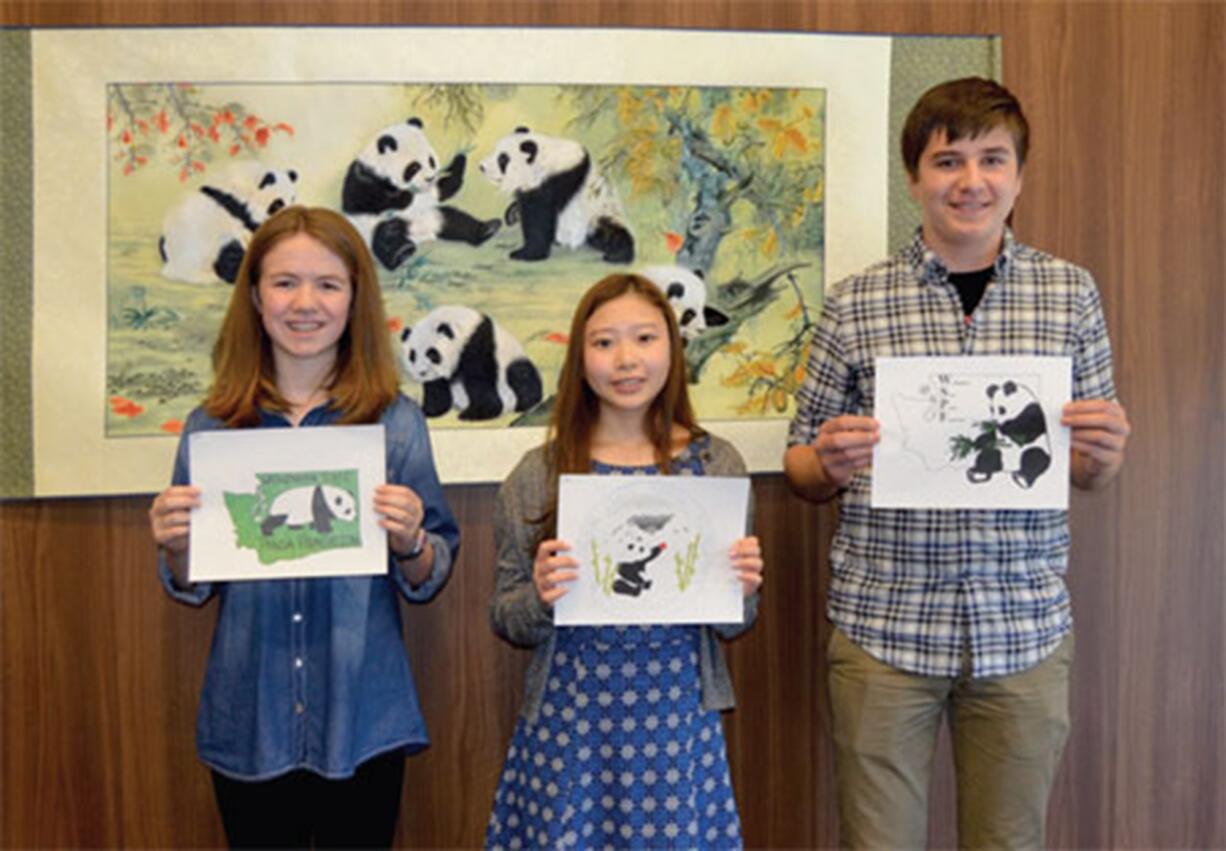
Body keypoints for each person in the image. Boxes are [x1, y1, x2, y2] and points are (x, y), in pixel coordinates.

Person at [784, 77, 1131, 850]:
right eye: (948, 161)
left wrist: (1104, 452)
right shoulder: (855, 302)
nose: (971, 182)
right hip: (883, 627)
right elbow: (800, 466)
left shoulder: (1070, 295)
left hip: (1024, 628)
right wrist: (828, 462)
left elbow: (1090, 471)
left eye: (993, 159)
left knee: (1009, 843)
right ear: (914, 177)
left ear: (1019, 175)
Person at [148, 206, 459, 849]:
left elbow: (431, 575)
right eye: (285, 282)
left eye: (328, 284)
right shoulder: (212, 426)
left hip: (363, 719)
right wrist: (177, 545)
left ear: (354, 299)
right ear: (255, 296)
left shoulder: (395, 424)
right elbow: (191, 584)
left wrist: (413, 542)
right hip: (250, 719)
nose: (305, 303)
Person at [485, 273, 764, 849]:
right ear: (580, 358)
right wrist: (540, 596)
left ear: (673, 347)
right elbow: (506, 616)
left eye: (644, 338)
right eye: (604, 342)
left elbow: (737, 620)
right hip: (570, 724)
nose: (626, 359)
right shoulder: (537, 475)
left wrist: (742, 588)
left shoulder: (716, 464)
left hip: (677, 724)